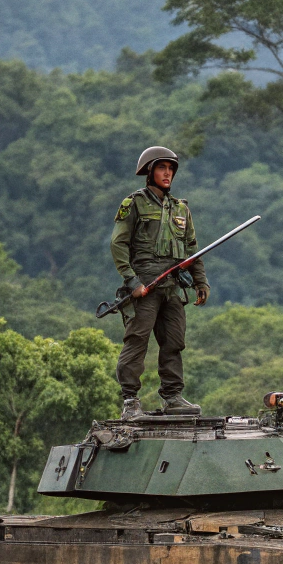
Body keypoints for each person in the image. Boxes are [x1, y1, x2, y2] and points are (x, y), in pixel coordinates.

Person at [110, 146, 210, 419]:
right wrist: (131, 282)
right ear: (149, 172)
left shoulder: (181, 209)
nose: (167, 173)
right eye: (161, 168)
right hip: (145, 286)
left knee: (174, 342)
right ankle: (130, 401)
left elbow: (192, 250)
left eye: (171, 168)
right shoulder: (134, 204)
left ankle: (173, 397)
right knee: (137, 341)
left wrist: (201, 282)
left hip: (173, 287)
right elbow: (118, 245)